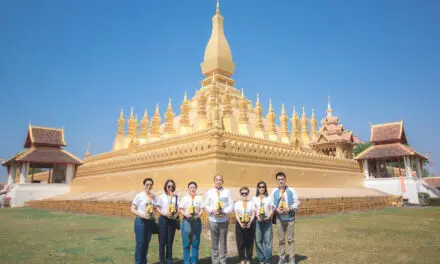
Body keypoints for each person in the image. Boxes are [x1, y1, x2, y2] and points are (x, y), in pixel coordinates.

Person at [270, 172, 300, 264]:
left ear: (285, 180)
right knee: (281, 240)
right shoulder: (274, 191)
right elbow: (271, 203)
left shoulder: (291, 190)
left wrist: (290, 208)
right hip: (279, 219)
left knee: (290, 239)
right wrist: (276, 209)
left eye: (282, 179)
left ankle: (292, 259)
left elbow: (297, 202)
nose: (281, 181)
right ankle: (282, 258)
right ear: (276, 181)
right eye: (279, 180)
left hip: (290, 218)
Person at [204, 174, 233, 264]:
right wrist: (212, 211)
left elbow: (231, 205)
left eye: (220, 180)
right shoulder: (210, 192)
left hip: (224, 220)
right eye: (217, 180)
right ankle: (215, 261)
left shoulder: (227, 192)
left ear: (222, 181)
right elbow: (206, 205)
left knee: (223, 242)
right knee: (214, 242)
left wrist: (225, 211)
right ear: (214, 181)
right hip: (213, 220)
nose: (218, 181)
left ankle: (223, 261)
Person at [131, 178, 158, 264]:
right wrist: (142, 215)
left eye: (150, 185)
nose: (149, 186)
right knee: (140, 244)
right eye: (147, 184)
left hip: (149, 222)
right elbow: (132, 209)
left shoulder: (153, 197)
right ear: (144, 185)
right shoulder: (139, 196)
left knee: (146, 244)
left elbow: (154, 209)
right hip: (140, 222)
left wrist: (154, 216)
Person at [179, 181, 205, 264]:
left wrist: (198, 215)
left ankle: (194, 262)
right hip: (187, 222)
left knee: (195, 243)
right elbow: (180, 209)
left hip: (196, 222)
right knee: (186, 244)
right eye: (191, 187)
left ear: (196, 188)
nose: (192, 189)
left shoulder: (199, 198)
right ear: (188, 189)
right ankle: (186, 262)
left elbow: (202, 209)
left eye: (194, 187)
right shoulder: (184, 198)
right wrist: (186, 215)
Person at [157, 179, 179, 264]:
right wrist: (164, 214)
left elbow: (178, 209)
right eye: (168, 186)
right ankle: (162, 261)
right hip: (163, 219)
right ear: (165, 187)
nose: (170, 188)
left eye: (172, 186)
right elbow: (158, 208)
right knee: (162, 242)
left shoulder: (175, 197)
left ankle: (169, 260)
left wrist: (175, 215)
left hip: (172, 220)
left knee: (170, 241)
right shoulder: (161, 196)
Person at [252, 181, 273, 264]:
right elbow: (253, 209)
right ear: (257, 188)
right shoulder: (254, 198)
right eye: (260, 187)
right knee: (258, 241)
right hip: (258, 221)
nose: (261, 188)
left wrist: (269, 216)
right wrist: (257, 216)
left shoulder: (269, 197)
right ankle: (261, 259)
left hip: (267, 221)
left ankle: (268, 260)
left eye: (263, 187)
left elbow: (272, 208)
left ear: (265, 188)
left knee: (268, 241)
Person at [234, 186, 256, 264]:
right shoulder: (237, 203)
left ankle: (249, 258)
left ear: (248, 194)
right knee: (240, 242)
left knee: (249, 242)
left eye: (245, 193)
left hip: (250, 222)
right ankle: (242, 259)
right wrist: (240, 223)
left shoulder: (251, 203)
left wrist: (250, 222)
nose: (244, 195)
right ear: (240, 194)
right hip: (240, 222)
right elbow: (236, 214)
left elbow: (253, 213)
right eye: (242, 193)